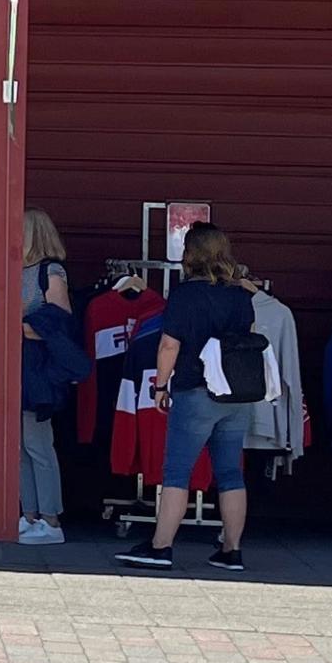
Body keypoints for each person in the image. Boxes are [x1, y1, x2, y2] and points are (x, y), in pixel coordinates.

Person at [123, 222, 261, 574]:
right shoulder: (242, 295)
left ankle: (161, 546)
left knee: (177, 472)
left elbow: (169, 344)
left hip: (195, 389)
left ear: (190, 253)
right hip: (235, 393)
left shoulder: (186, 295)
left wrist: (160, 386)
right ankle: (232, 551)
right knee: (230, 473)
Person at [16, 206, 75, 547]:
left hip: (38, 367)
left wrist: (22, 327)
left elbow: (60, 321)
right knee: (20, 446)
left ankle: (51, 521)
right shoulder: (15, 269)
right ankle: (30, 516)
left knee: (38, 444)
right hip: (17, 364)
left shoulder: (50, 271)